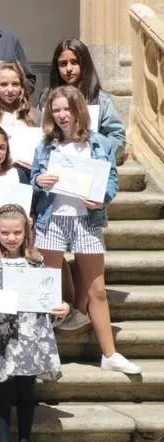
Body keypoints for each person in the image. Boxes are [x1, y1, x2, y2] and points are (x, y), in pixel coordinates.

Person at [32, 85, 141, 375]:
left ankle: (110, 354)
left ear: (79, 109)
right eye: (56, 110)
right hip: (51, 218)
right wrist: (39, 180)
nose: (61, 115)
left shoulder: (100, 144)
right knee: (46, 290)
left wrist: (102, 198)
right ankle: (43, 354)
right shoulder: (45, 145)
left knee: (98, 290)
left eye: (66, 109)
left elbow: (112, 181)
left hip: (87, 220)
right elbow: (34, 178)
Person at [0, 205, 69, 442]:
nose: (11, 238)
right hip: (2, 336)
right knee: (2, 391)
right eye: (5, 232)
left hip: (30, 335)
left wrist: (61, 308)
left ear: (26, 232)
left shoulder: (36, 261)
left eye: (17, 232)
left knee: (26, 391)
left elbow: (48, 298)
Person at [42, 38, 126, 160]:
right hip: (55, 167)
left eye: (74, 62)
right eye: (63, 64)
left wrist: (93, 149)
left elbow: (118, 140)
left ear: (84, 64)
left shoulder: (100, 100)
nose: (69, 69)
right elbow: (42, 134)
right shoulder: (46, 98)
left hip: (90, 166)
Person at [0, 62, 41, 133]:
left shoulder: (36, 116)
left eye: (15, 84)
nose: (10, 90)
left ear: (22, 86)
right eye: (3, 84)